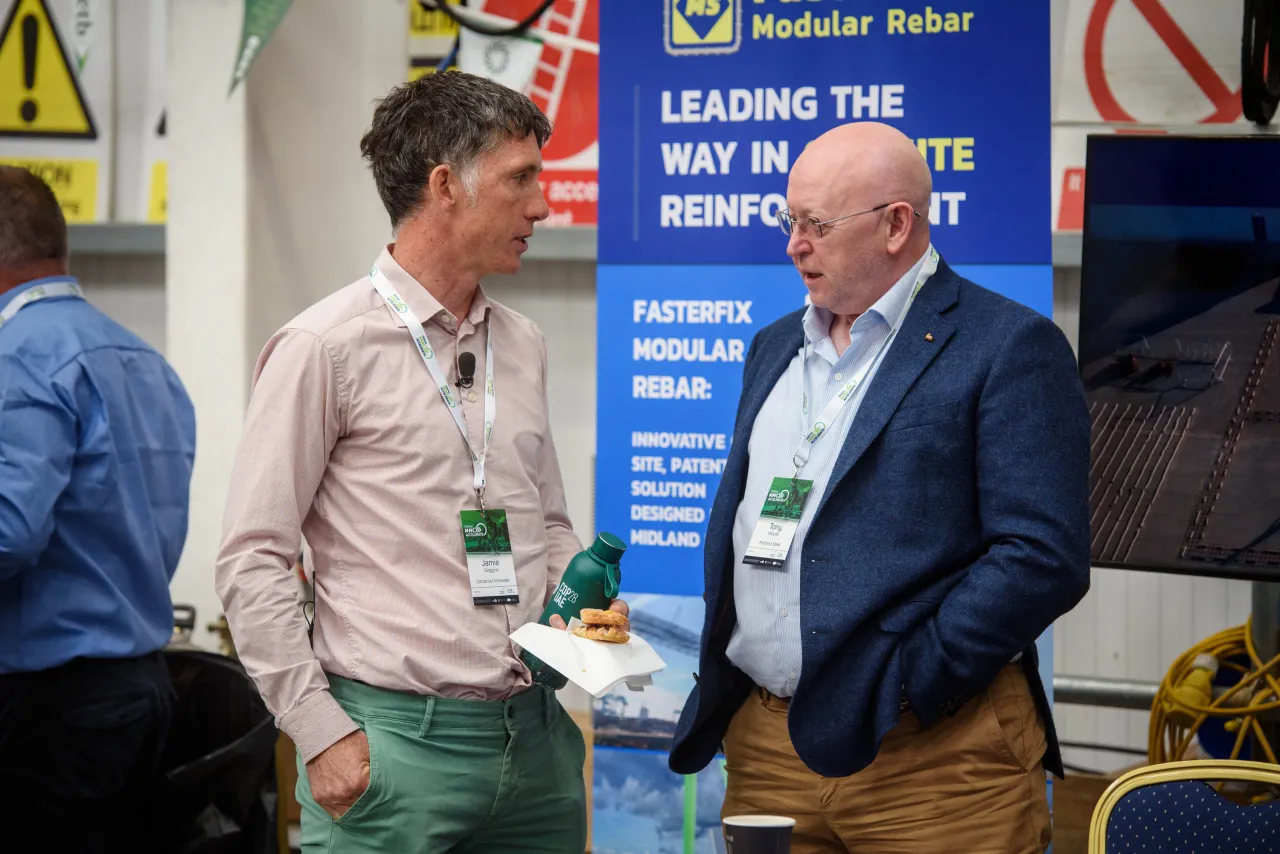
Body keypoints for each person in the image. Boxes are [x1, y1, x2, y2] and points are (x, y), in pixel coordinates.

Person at [215, 71, 624, 854]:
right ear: (445, 186)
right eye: (521, 179)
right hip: (394, 750)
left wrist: (584, 605)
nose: (543, 206)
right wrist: (318, 731)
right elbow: (252, 559)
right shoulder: (322, 348)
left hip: (536, 746)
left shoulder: (524, 344)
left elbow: (547, 521)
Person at [668, 122, 1091, 853]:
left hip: (935, 758)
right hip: (769, 751)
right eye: (788, 220)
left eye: (816, 225)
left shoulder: (1006, 345)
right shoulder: (774, 345)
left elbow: (1042, 555)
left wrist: (911, 681)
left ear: (898, 225)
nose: (794, 244)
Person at [0, 167, 196, 850]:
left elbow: (8, 533)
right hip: (140, 688)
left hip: (47, 704)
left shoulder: (16, 358)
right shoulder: (146, 360)